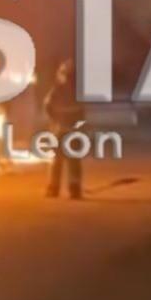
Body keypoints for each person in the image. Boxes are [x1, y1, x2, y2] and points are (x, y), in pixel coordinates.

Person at [44, 60, 85, 199]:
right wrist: (56, 121)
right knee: (61, 160)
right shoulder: (58, 91)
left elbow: (81, 112)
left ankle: (70, 188)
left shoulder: (65, 91)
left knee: (68, 160)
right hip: (63, 130)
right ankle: (59, 188)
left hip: (68, 130)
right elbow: (48, 107)